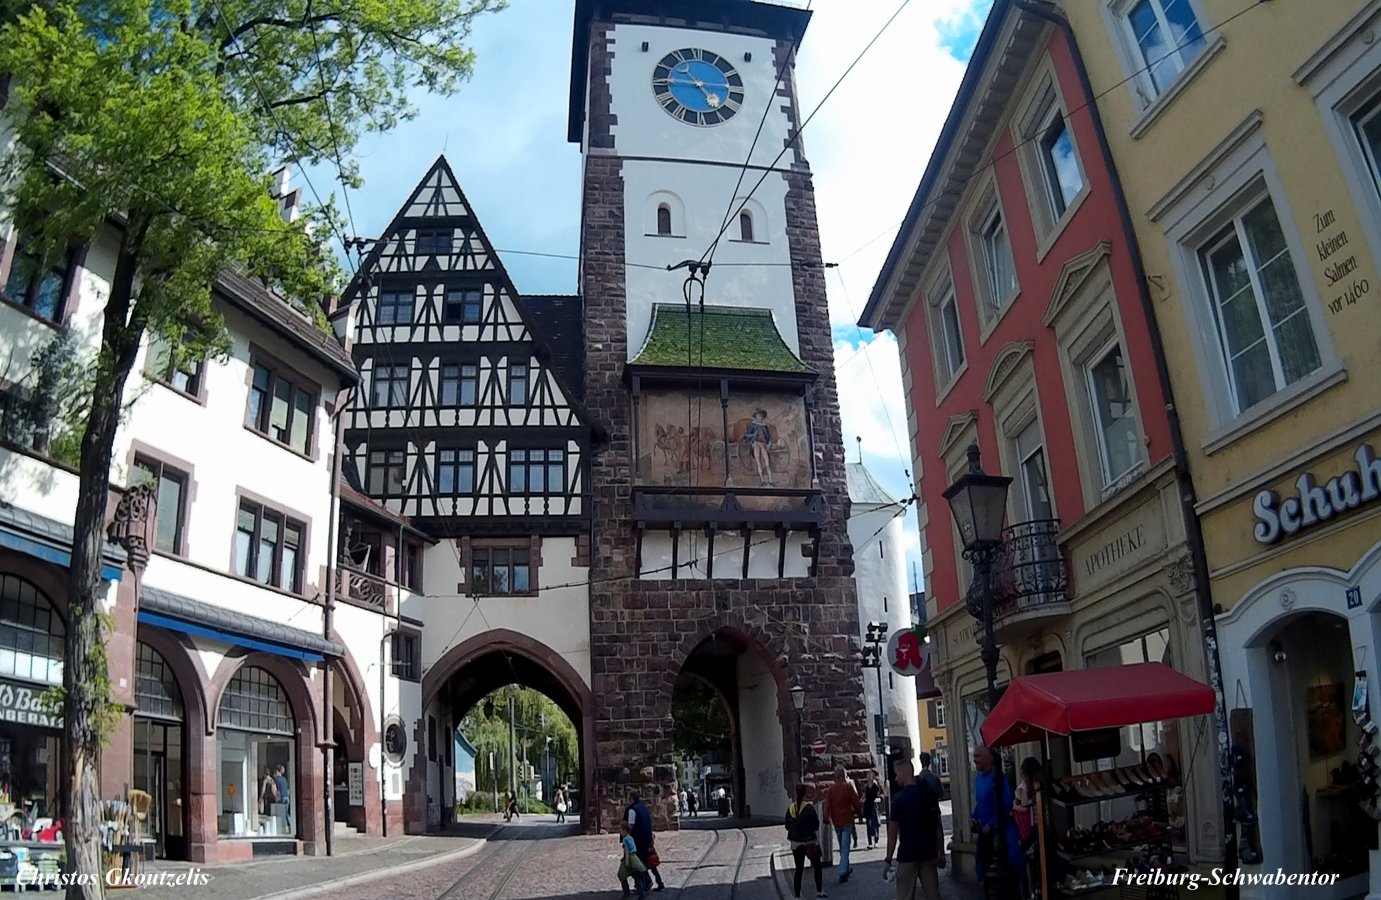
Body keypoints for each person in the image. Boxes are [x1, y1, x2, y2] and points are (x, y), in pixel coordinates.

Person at [883, 758, 946, 900]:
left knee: (904, 895)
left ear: (903, 774)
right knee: (933, 895)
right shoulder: (928, 794)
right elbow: (937, 827)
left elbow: (892, 833)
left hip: (908, 856)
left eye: (897, 774)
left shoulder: (898, 799)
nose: (896, 778)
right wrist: (941, 851)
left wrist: (888, 860)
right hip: (928, 853)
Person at [971, 745, 1023, 885]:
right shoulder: (978, 779)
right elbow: (981, 802)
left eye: (978, 757)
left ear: (989, 758)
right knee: (984, 868)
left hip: (1000, 833)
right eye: (974, 757)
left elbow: (1006, 805)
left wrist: (991, 824)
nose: (975, 760)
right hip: (985, 832)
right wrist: (973, 817)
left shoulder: (999, 779)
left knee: (1008, 867)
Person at [785, 783, 827, 899]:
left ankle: (797, 897)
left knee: (799, 869)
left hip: (795, 843)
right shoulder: (808, 808)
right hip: (809, 842)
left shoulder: (791, 808)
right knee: (817, 866)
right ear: (805, 794)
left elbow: (787, 826)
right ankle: (819, 892)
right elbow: (816, 825)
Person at [822, 765, 861, 883]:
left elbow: (827, 805)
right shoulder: (848, 787)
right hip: (847, 820)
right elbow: (856, 802)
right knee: (845, 847)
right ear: (843, 775)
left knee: (842, 846)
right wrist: (860, 815)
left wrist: (825, 819)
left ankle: (846, 869)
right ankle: (843, 871)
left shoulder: (831, 789)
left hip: (837, 821)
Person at [1014, 757, 1043, 899]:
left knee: (1029, 866)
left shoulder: (1031, 788)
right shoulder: (1030, 788)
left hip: (1033, 831)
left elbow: (1024, 806)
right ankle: (1031, 893)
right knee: (1029, 866)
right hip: (1032, 830)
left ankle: (1031, 893)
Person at [625, 790, 664, 892]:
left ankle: (645, 883)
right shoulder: (644, 808)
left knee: (639, 863)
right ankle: (660, 883)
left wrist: (626, 839)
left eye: (628, 798)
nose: (626, 801)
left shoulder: (632, 810)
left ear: (632, 799)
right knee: (650, 861)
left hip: (638, 841)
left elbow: (630, 826)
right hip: (648, 839)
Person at [618, 821, 650, 898]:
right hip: (635, 857)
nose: (620, 832)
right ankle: (641, 892)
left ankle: (626, 892)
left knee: (621, 875)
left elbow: (627, 850)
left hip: (630, 858)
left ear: (625, 830)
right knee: (637, 876)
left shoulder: (625, 839)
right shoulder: (631, 838)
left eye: (621, 830)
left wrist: (626, 861)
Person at [863, 774, 882, 850]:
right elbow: (864, 796)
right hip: (867, 806)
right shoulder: (866, 786)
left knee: (875, 824)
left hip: (874, 806)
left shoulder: (875, 786)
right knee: (868, 824)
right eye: (867, 776)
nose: (868, 778)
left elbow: (878, 796)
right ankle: (870, 842)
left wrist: (877, 800)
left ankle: (876, 841)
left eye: (870, 776)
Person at [273, 765, 291, 829]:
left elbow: (276, 789)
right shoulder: (284, 779)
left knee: (282, 813)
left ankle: (286, 826)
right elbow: (288, 788)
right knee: (286, 813)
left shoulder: (277, 779)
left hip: (281, 797)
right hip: (286, 797)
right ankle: (290, 825)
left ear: (277, 771)